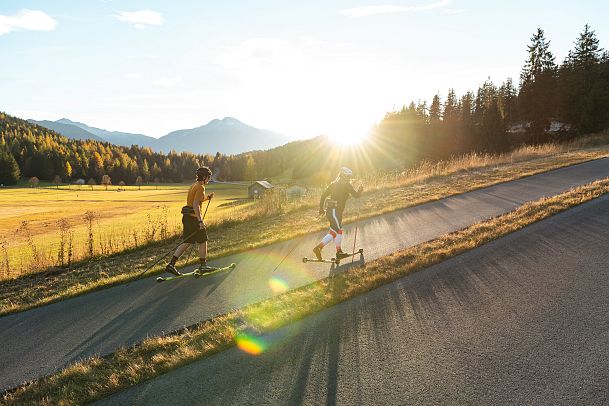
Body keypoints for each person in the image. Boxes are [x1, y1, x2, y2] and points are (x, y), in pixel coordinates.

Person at [165, 167, 215, 275]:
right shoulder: (201, 187)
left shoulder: (194, 185)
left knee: (187, 241)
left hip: (187, 217)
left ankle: (171, 264)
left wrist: (207, 198)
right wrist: (200, 221)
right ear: (205, 177)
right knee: (203, 240)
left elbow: (196, 200)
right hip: (193, 218)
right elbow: (195, 204)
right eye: (208, 177)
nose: (209, 179)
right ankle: (203, 266)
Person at [313, 167, 363, 261]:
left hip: (332, 211)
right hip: (335, 212)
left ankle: (339, 252)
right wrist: (360, 190)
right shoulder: (347, 185)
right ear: (343, 175)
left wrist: (321, 209)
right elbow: (356, 196)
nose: (349, 178)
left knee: (338, 230)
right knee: (336, 230)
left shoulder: (333, 184)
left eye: (350, 176)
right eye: (348, 176)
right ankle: (318, 248)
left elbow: (323, 195)